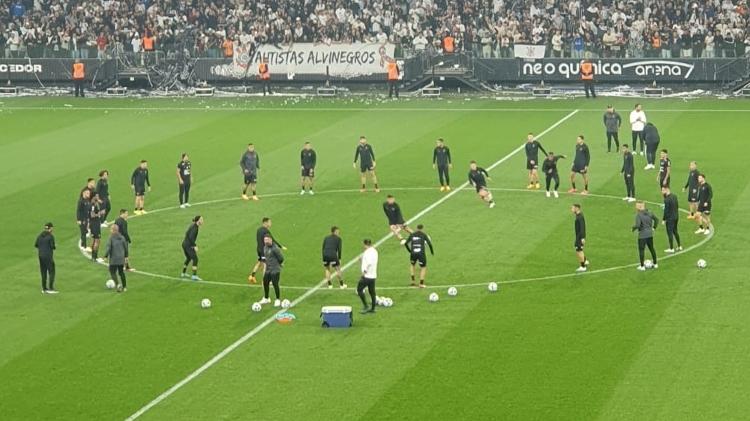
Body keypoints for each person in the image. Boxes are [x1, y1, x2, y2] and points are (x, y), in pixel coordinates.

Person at [249, 217, 286, 284]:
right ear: (265, 223)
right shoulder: (266, 231)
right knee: (266, 265)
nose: (270, 223)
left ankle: (252, 276)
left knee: (259, 262)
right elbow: (272, 240)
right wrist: (280, 246)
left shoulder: (258, 230)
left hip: (259, 249)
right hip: (264, 251)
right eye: (269, 222)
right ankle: (265, 280)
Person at [632, 201, 659, 271]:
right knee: (652, 248)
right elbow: (656, 219)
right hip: (650, 234)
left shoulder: (638, 215)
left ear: (640, 207)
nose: (636, 207)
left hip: (642, 235)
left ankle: (642, 266)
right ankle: (655, 264)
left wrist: (633, 228)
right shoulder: (649, 212)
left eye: (637, 206)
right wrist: (654, 227)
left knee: (641, 250)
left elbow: (638, 225)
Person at [259, 234, 285, 307]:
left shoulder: (275, 248)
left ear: (271, 239)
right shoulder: (265, 248)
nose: (266, 241)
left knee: (275, 284)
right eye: (265, 240)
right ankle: (266, 298)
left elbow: (281, 258)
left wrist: (278, 264)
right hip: (268, 269)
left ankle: (277, 299)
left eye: (267, 240)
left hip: (275, 269)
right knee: (265, 282)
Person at [105, 224, 130, 292]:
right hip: (121, 258)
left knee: (112, 271)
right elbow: (125, 248)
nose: (110, 231)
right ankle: (125, 287)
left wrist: (105, 256)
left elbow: (109, 248)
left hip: (114, 259)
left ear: (113, 230)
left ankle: (118, 285)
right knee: (121, 272)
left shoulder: (111, 238)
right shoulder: (122, 237)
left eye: (111, 229)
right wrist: (126, 256)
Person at [35, 222, 57, 294]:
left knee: (43, 272)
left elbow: (36, 245)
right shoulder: (50, 236)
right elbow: (53, 246)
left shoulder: (40, 236)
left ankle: (44, 288)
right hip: (48, 256)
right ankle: (50, 288)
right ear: (50, 228)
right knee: (51, 271)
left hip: (40, 256)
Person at [357, 239, 378, 314]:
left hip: (367, 276)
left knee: (359, 289)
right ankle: (373, 308)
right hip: (373, 275)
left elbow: (369, 263)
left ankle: (366, 306)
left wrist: (364, 272)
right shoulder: (374, 251)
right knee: (372, 292)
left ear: (365, 244)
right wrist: (362, 259)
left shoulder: (367, 252)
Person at [181, 215, 203, 281]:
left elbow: (187, 234)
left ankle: (183, 273)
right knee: (195, 259)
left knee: (188, 258)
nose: (203, 221)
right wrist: (194, 246)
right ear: (198, 221)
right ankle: (194, 275)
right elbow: (191, 238)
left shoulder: (193, 225)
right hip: (188, 245)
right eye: (201, 219)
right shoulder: (195, 228)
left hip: (184, 244)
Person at [661, 187, 682, 253]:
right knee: (675, 231)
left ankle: (671, 248)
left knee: (669, 233)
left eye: (663, 190)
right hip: (676, 216)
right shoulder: (674, 196)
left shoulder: (667, 199)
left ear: (667, 190)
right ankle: (679, 246)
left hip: (670, 218)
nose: (662, 191)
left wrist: (664, 219)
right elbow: (677, 206)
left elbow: (666, 211)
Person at [572, 204, 589, 272]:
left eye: (573, 208)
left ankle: (583, 266)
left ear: (577, 208)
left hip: (579, 236)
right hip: (579, 236)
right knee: (579, 249)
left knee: (579, 250)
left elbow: (582, 227)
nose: (572, 209)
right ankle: (585, 261)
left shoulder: (580, 217)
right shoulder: (578, 216)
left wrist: (582, 238)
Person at [89, 194, 105, 263]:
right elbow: (92, 215)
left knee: (95, 240)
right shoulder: (92, 205)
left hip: (95, 223)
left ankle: (94, 256)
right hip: (94, 224)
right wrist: (100, 213)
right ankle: (94, 257)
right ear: (93, 197)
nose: (98, 197)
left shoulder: (96, 203)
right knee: (97, 240)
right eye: (97, 196)